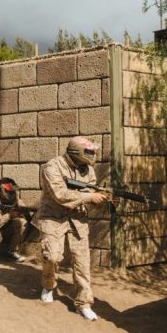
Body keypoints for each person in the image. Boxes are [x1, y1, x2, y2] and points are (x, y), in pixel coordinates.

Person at [33, 136, 115, 321]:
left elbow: (90, 195)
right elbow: (60, 194)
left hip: (77, 219)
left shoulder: (88, 170)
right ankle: (48, 285)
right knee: (52, 257)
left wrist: (105, 201)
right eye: (89, 152)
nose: (92, 155)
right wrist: (89, 197)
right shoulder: (52, 167)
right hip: (52, 217)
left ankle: (84, 303)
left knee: (82, 262)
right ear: (77, 152)